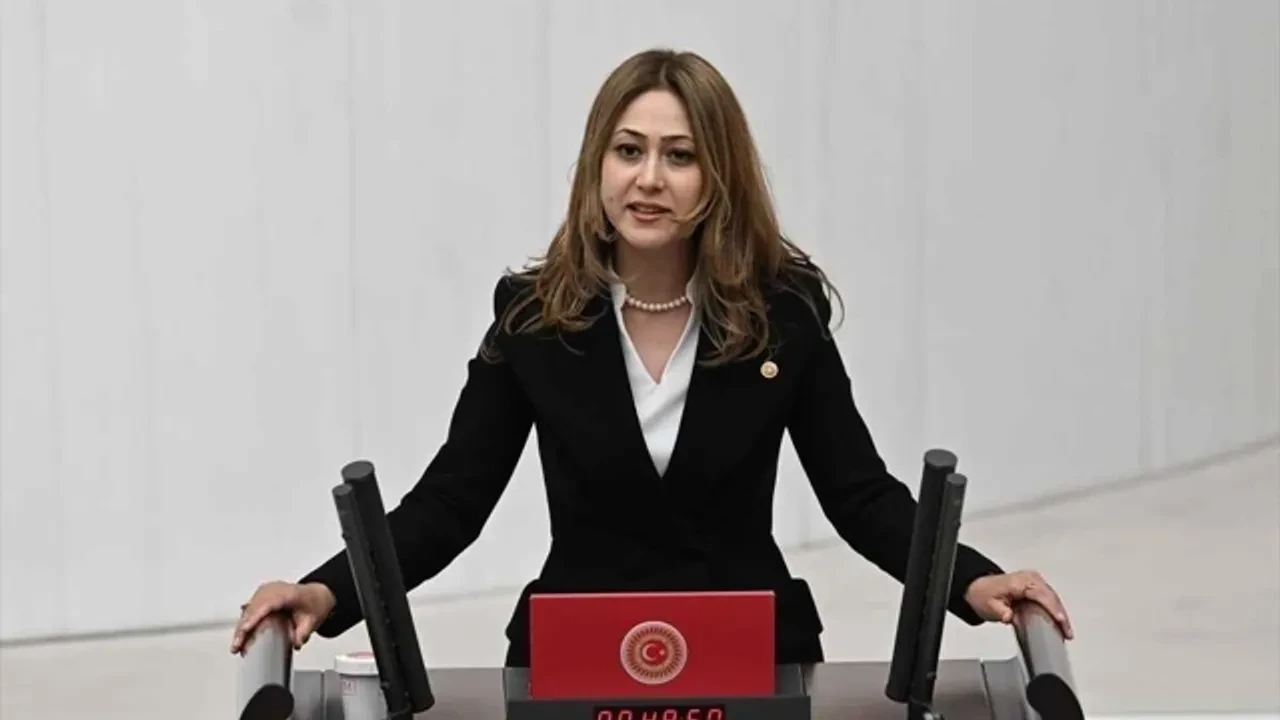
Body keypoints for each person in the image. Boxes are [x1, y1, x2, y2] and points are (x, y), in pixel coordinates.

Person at [231, 48, 1073, 666]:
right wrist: (325, 592)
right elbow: (450, 502)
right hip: (576, 653)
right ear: (597, 164)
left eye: (680, 156)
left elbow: (860, 496)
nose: (649, 179)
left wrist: (973, 581)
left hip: (754, 653)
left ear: (719, 176)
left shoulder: (784, 313)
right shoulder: (532, 316)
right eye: (628, 150)